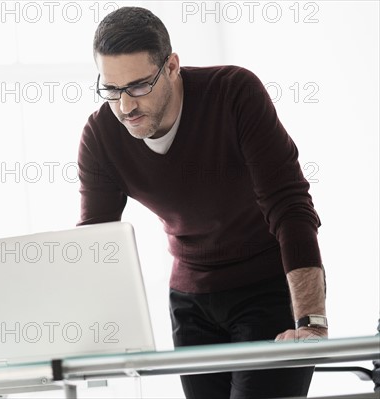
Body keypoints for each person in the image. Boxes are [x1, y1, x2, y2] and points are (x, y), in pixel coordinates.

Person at [77, 6, 328, 399]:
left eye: (139, 86)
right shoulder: (101, 136)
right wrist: (85, 340)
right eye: (111, 89)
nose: (126, 106)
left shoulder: (234, 93)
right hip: (190, 301)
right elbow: (95, 243)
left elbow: (290, 205)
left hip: (265, 288)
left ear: (172, 66)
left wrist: (311, 321)